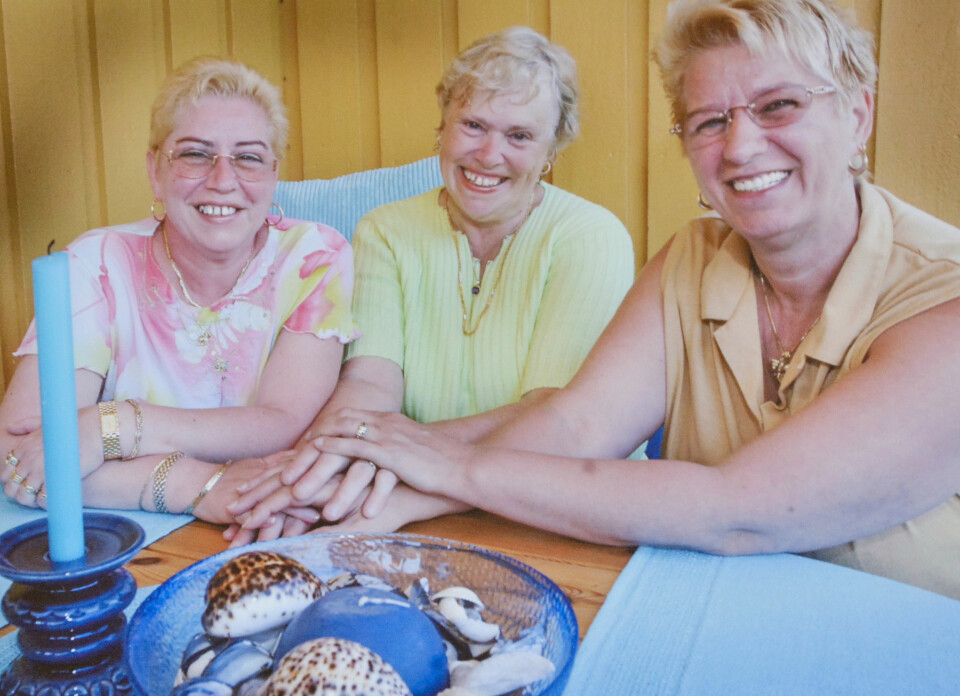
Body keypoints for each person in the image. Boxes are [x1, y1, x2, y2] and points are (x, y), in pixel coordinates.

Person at [295, 0, 960, 599]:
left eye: (779, 106)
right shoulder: (691, 259)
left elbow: (739, 508)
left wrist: (443, 467)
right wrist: (394, 495)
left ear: (857, 114)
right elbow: (576, 426)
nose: (741, 145)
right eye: (708, 121)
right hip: (698, 612)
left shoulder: (945, 297)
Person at [225, 26, 635, 543]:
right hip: (400, 498)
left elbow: (551, 413)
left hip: (552, 514)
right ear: (442, 126)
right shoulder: (385, 230)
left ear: (551, 149)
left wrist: (390, 453)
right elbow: (372, 381)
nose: (488, 154)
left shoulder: (591, 237)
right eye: (473, 125)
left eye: (519, 136)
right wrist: (313, 468)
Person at [0, 57, 357, 533]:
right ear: (155, 171)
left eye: (248, 157)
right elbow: (19, 457)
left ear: (274, 175)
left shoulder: (315, 256)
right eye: (195, 154)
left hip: (268, 522)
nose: (223, 180)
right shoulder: (96, 264)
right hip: (120, 532)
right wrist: (192, 485)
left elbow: (284, 423)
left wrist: (109, 427)